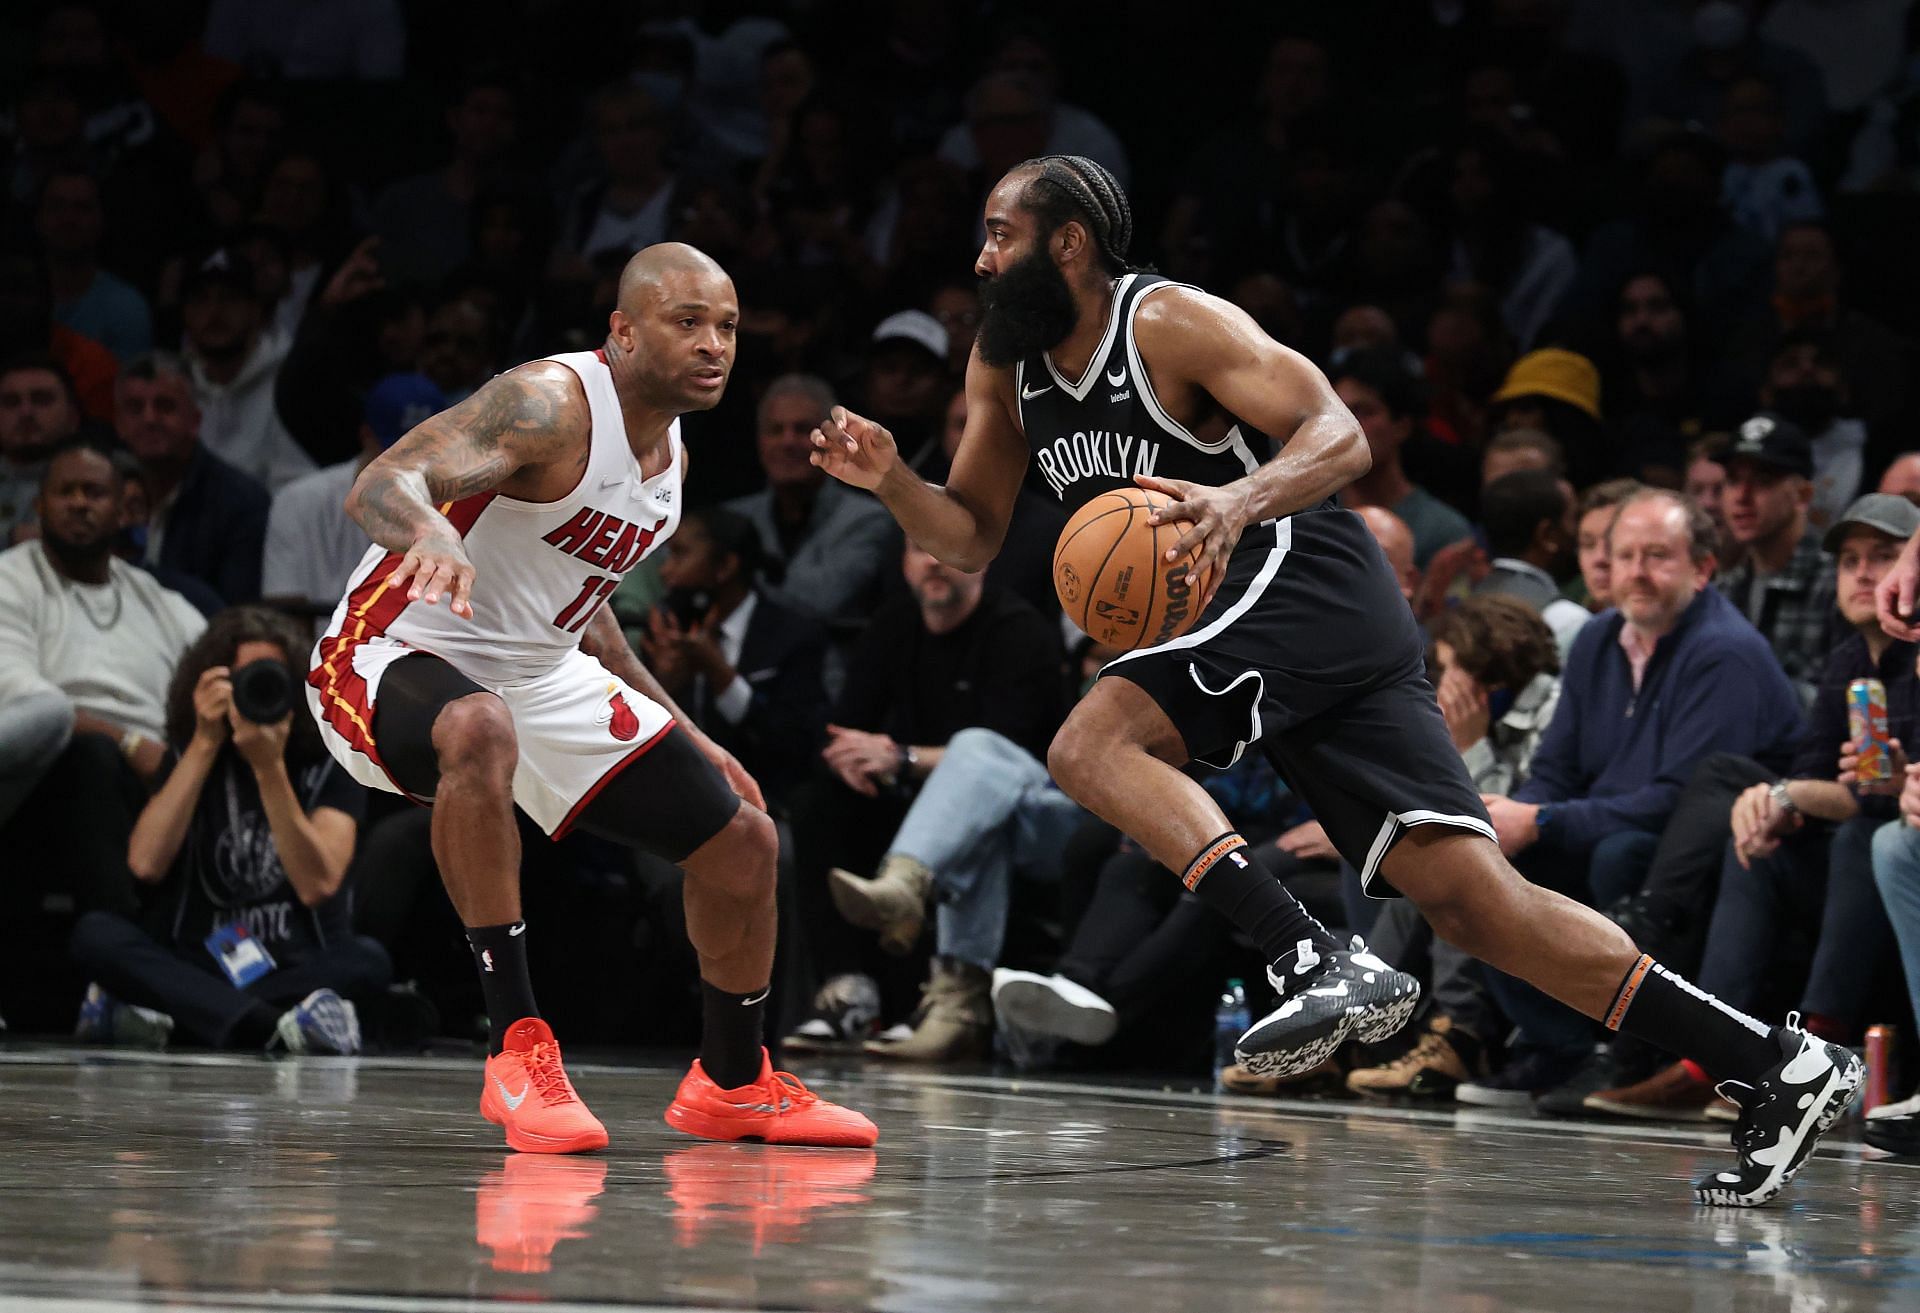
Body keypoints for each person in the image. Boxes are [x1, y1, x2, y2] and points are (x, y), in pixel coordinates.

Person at [810, 154, 1859, 1206]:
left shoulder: (1170, 321)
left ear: (1070, 241)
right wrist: (894, 480)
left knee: (1088, 743)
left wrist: (1237, 501)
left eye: (1001, 233)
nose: (982, 257)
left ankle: (1308, 957)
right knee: (1477, 904)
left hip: (1296, 569)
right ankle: (1779, 1064)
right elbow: (974, 534)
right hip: (1265, 615)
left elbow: (1340, 433)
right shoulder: (1005, 361)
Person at [310, 241, 873, 1153]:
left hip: (538, 671)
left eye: (726, 326)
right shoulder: (546, 403)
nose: (713, 345)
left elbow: (588, 607)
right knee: (479, 724)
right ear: (621, 331)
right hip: (392, 650)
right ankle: (517, 1047)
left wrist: (688, 728)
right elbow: (382, 482)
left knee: (744, 840)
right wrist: (433, 536)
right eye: (687, 321)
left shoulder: (671, 461)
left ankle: (733, 1082)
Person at [70, 606, 388, 1053]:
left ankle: (178, 1019)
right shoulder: (193, 753)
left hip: (294, 962)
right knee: (96, 934)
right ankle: (275, 1026)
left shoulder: (327, 767)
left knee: (368, 961)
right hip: (195, 960)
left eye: (270, 679)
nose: (255, 691)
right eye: (243, 680)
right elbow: (144, 864)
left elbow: (319, 884)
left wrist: (269, 769)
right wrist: (203, 743)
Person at [0, 440, 204, 907]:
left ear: (121, 511)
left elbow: (214, 671)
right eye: (65, 492)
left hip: (157, 779)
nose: (78, 503)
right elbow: (27, 708)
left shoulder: (158, 601)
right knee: (90, 755)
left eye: (93, 493)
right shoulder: (9, 581)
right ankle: (117, 938)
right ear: (39, 505)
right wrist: (130, 745)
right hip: (43, 782)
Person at [641, 505, 829, 810]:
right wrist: (663, 685)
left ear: (725, 566)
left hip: (767, 799)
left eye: (680, 555)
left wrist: (720, 674)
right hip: (679, 798)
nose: (666, 571)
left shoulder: (792, 636)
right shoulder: (667, 626)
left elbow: (793, 745)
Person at [115, 352, 269, 606]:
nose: (149, 419)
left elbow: (237, 614)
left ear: (195, 420)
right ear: (118, 423)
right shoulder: (100, 492)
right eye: (135, 408)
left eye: (165, 406)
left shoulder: (241, 503)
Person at [1713, 412, 1835, 701]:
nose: (1741, 496)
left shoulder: (1837, 583)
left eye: (1762, 480)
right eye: (1732, 480)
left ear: (1803, 495)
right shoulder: (1722, 592)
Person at [0, 354, 83, 545]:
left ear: (73, 416)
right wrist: (9, 539)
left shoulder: (108, 477)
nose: (25, 412)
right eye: (11, 402)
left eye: (41, 400)